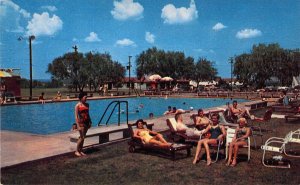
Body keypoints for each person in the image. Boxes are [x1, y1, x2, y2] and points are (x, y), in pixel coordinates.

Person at [74, 92, 92, 157]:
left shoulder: (87, 105)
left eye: (86, 97)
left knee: (83, 137)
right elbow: (76, 116)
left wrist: (90, 121)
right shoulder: (77, 105)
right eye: (85, 97)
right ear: (81, 98)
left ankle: (80, 150)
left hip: (86, 122)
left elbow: (88, 114)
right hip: (81, 123)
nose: (86, 98)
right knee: (81, 137)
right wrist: (77, 125)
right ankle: (76, 151)